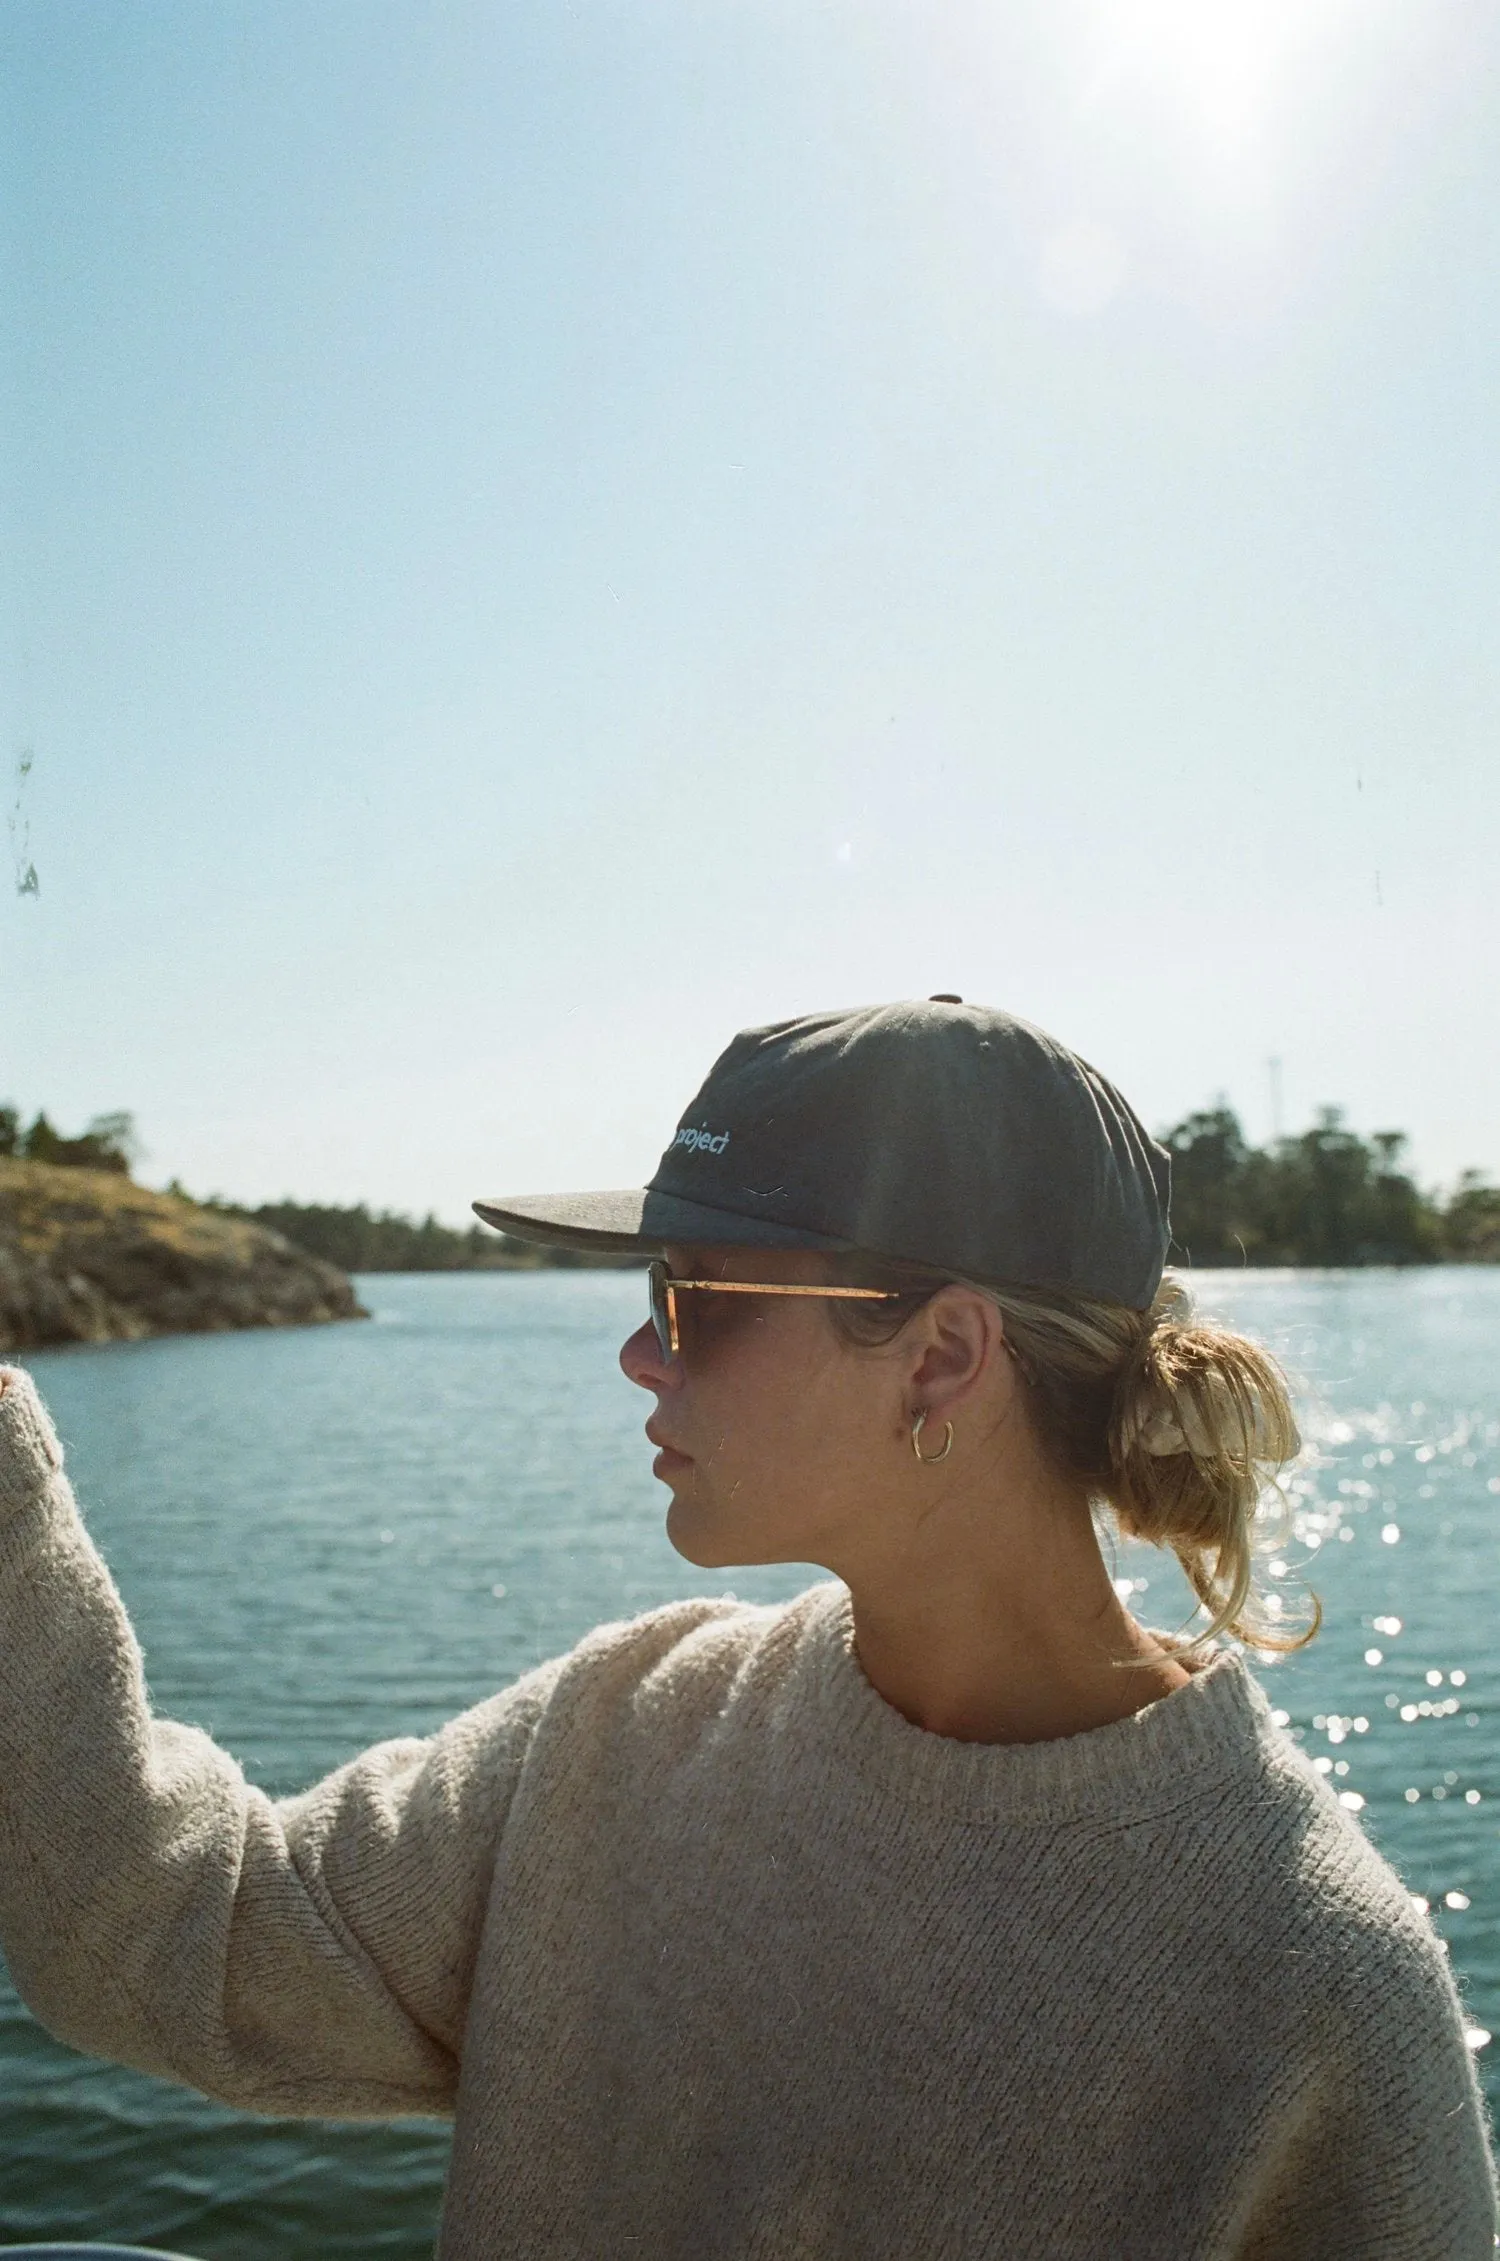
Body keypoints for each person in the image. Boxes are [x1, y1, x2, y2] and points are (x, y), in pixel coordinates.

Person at [0, 997, 1492, 2260]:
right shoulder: (622, 1730)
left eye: (693, 1292)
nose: (640, 1350)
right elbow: (171, 1930)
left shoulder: (1315, 1995)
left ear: (941, 1358)